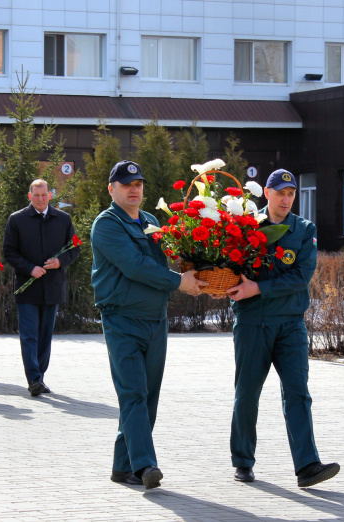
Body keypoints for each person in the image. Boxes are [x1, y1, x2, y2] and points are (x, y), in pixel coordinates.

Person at [90, 161, 208, 489]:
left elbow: (163, 259)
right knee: (133, 394)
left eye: (139, 183)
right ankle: (145, 466)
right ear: (111, 189)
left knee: (148, 398)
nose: (134, 189)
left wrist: (202, 264)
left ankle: (121, 466)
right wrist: (178, 282)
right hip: (122, 319)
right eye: (127, 184)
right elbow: (136, 266)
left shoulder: (151, 221)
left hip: (155, 320)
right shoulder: (107, 224)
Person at [225, 168, 340, 488]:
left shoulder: (304, 230)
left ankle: (307, 466)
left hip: (290, 324)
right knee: (247, 394)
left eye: (291, 194)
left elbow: (301, 277)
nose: (286, 199)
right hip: (252, 323)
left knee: (298, 394)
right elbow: (228, 265)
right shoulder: (247, 225)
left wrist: (258, 288)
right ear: (267, 192)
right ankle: (243, 462)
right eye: (280, 193)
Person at [2, 179, 80, 396]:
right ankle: (34, 378)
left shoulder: (63, 219)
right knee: (29, 335)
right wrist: (30, 268)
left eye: (44, 195)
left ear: (50, 195)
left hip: (53, 287)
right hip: (27, 288)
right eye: (36, 195)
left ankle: (40, 376)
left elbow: (75, 247)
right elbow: (9, 251)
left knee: (45, 335)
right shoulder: (17, 219)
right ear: (29, 196)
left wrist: (60, 261)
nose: (40, 199)